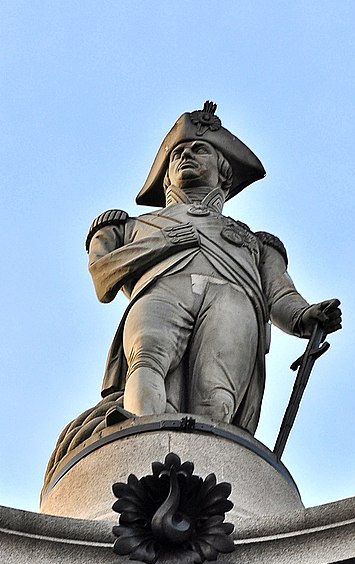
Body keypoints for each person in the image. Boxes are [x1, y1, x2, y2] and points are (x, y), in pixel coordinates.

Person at [86, 102, 341, 435]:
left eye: (199, 150)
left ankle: (210, 457)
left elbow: (279, 294)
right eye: (178, 154)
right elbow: (103, 274)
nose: (186, 156)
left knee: (217, 393)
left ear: (224, 171)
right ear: (166, 177)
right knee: (147, 355)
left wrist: (302, 317)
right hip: (161, 290)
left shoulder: (256, 242)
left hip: (233, 300)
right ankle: (139, 434)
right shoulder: (132, 226)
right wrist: (162, 243)